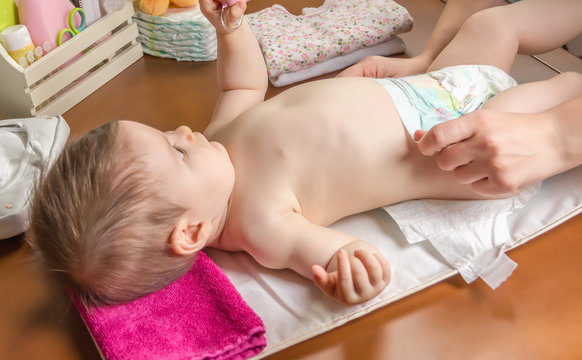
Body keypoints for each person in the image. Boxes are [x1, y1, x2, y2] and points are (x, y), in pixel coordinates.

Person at [27, 0, 582, 306]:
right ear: (191, 232)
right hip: (465, 140)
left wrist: (233, 32)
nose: (183, 131)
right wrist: (352, 274)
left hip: (436, 86)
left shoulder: (219, 142)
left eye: (165, 132)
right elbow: (336, 251)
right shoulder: (260, 225)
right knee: (557, 92)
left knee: (495, 22)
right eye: (176, 152)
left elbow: (241, 87)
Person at [339, 0, 582, 196]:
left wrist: (554, 135)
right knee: (491, 24)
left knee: (572, 83)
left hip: (458, 162)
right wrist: (429, 63)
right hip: (448, 130)